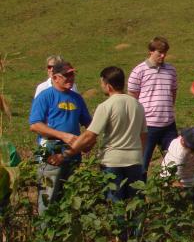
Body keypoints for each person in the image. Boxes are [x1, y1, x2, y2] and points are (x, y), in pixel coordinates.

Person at [48, 67, 147, 203]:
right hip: (135, 161)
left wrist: (65, 154)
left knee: (115, 203)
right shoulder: (137, 105)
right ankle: (136, 225)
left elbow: (89, 135)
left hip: (113, 161)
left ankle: (118, 225)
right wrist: (139, 155)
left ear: (108, 86)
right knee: (135, 203)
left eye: (102, 83)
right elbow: (143, 135)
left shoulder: (106, 106)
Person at [29, 61, 91, 214]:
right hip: (50, 152)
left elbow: (89, 124)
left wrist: (87, 141)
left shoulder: (77, 98)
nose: (70, 78)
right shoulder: (45, 96)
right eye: (66, 75)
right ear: (55, 77)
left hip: (73, 153)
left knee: (69, 200)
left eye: (72, 74)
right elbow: (35, 125)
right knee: (47, 199)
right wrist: (62, 135)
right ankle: (45, 235)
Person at [128, 37, 178, 172]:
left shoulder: (171, 70)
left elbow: (173, 92)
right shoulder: (139, 71)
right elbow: (133, 97)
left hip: (168, 125)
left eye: (165, 53)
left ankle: (170, 191)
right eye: (159, 52)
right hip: (147, 125)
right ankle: (139, 192)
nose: (163, 56)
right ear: (151, 51)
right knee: (142, 163)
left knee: (174, 163)